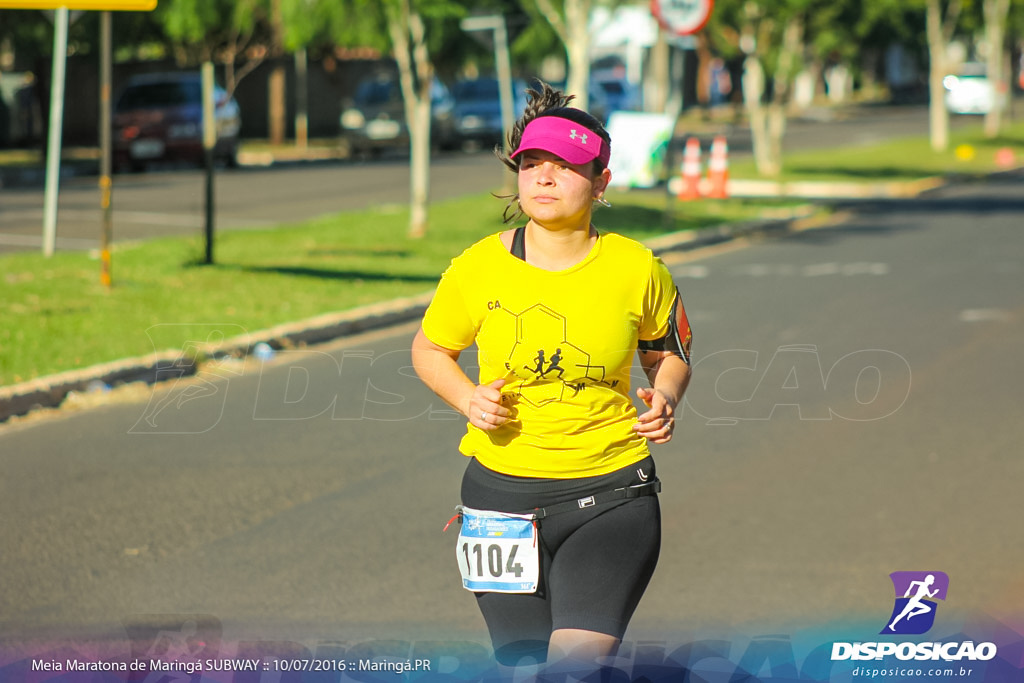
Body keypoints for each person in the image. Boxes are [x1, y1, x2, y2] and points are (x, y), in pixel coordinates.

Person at [411, 82, 693, 676]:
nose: (544, 177)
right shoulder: (478, 267)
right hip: (499, 504)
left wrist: (664, 395)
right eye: (532, 164)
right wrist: (467, 396)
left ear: (601, 182)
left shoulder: (637, 268)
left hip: (611, 494)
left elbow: (668, 355)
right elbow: (430, 349)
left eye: (564, 166)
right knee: (520, 669)